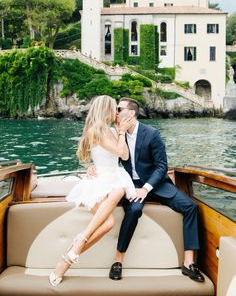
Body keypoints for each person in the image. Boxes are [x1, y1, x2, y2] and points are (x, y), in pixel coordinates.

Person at [88, 97, 205, 283]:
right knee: (134, 210)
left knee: (190, 206)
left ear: (131, 113)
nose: (115, 112)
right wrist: (93, 167)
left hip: (155, 183)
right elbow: (107, 157)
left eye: (119, 109)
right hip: (129, 184)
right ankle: (118, 260)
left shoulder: (152, 134)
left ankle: (189, 263)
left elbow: (161, 166)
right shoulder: (115, 133)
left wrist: (146, 188)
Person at [49, 95, 137, 286]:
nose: (116, 113)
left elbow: (125, 154)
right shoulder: (95, 130)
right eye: (114, 109)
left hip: (113, 176)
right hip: (100, 180)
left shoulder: (112, 130)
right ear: (106, 110)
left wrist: (120, 132)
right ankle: (80, 240)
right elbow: (119, 152)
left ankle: (69, 255)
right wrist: (121, 133)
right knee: (109, 219)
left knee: (118, 195)